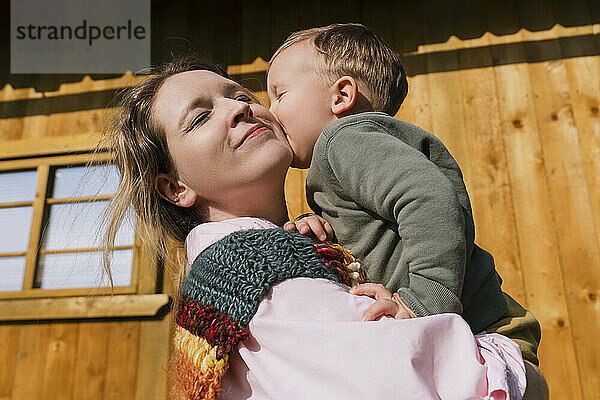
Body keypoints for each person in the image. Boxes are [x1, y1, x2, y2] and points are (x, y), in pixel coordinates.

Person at [102, 56, 528, 399]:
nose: (239, 108)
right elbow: (405, 382)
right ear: (175, 187)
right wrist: (513, 365)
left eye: (239, 95)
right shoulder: (251, 271)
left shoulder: (288, 248)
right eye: (199, 117)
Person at [267, 23, 548, 397]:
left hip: (483, 328)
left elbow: (429, 197)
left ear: (342, 95)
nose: (269, 111)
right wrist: (318, 228)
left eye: (279, 95)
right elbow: (375, 229)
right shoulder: (356, 150)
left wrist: (427, 298)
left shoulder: (342, 140)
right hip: (473, 324)